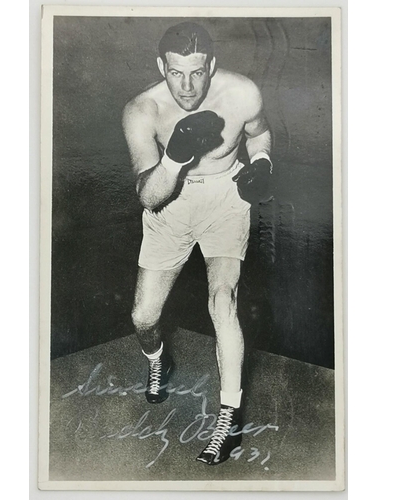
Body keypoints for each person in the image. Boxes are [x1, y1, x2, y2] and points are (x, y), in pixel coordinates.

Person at [122, 21, 273, 465]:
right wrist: (175, 155)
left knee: (223, 300)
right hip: (169, 206)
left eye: (196, 72)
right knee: (143, 316)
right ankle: (157, 360)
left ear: (211, 64)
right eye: (175, 73)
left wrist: (261, 162)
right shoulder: (142, 109)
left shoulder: (243, 93)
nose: (187, 86)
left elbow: (258, 133)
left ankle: (228, 418)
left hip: (226, 199)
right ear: (160, 67)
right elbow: (149, 196)